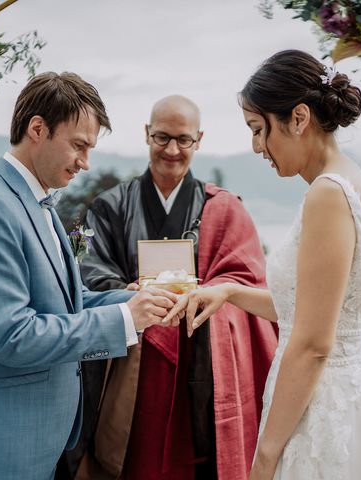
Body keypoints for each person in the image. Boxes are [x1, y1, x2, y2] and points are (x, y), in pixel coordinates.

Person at [163, 50, 361, 479]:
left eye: (257, 129)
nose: (255, 147)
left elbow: (313, 343)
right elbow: (311, 308)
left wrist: (266, 455)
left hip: (323, 409)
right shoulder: (352, 179)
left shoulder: (327, 194)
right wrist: (230, 291)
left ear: (299, 117)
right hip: (344, 395)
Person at [0, 72, 178, 480]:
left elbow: (72, 302)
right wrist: (124, 320)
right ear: (38, 129)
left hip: (38, 440)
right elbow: (12, 337)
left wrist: (139, 302)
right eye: (79, 145)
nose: (85, 162)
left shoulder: (37, 203)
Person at [57, 95, 278, 480]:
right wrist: (130, 293)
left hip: (201, 363)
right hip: (132, 366)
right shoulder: (109, 206)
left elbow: (243, 279)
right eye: (161, 138)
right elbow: (88, 274)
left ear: (199, 140)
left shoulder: (221, 208)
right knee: (136, 461)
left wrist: (206, 294)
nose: (172, 150)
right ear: (147, 134)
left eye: (183, 139)